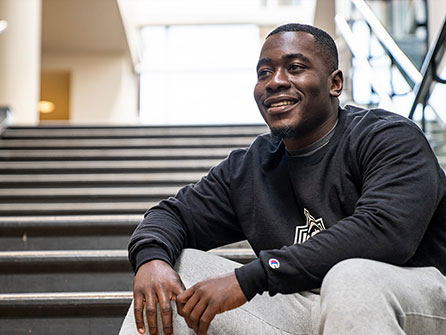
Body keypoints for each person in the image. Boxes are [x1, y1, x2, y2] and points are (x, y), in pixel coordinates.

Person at [119, 23, 446, 335]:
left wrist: (253, 277)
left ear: (335, 83)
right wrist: (151, 259)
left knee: (351, 277)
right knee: (180, 267)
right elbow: (172, 215)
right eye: (264, 73)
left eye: (295, 67)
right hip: (307, 307)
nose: (274, 81)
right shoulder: (251, 167)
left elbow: (385, 231)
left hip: (412, 300)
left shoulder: (387, 137)